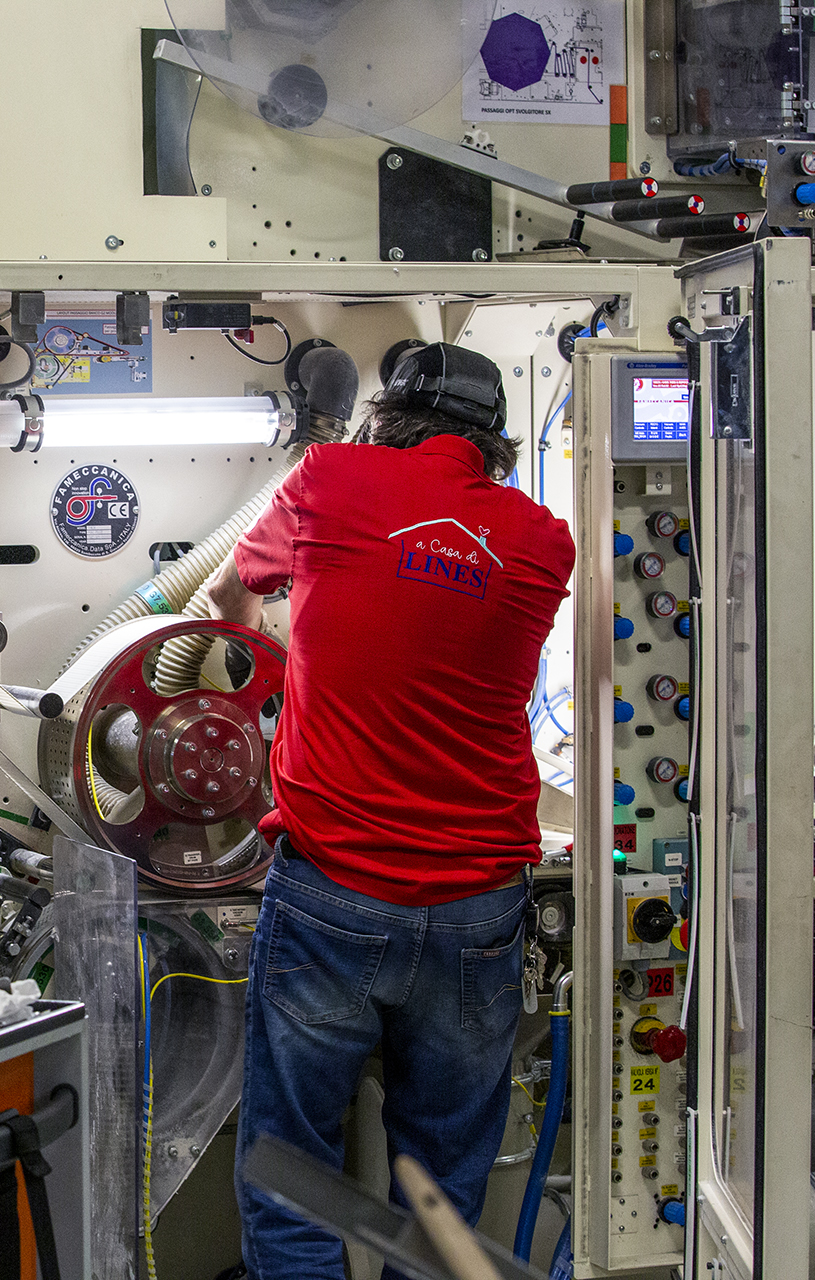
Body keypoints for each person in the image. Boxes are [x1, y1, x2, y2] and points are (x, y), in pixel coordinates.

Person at [204, 342, 576, 1279]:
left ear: (385, 419)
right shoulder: (541, 538)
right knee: (444, 1198)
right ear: (494, 443)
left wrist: (253, 673)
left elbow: (224, 593)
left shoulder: (331, 477)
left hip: (334, 894)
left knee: (294, 1174)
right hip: (481, 910)